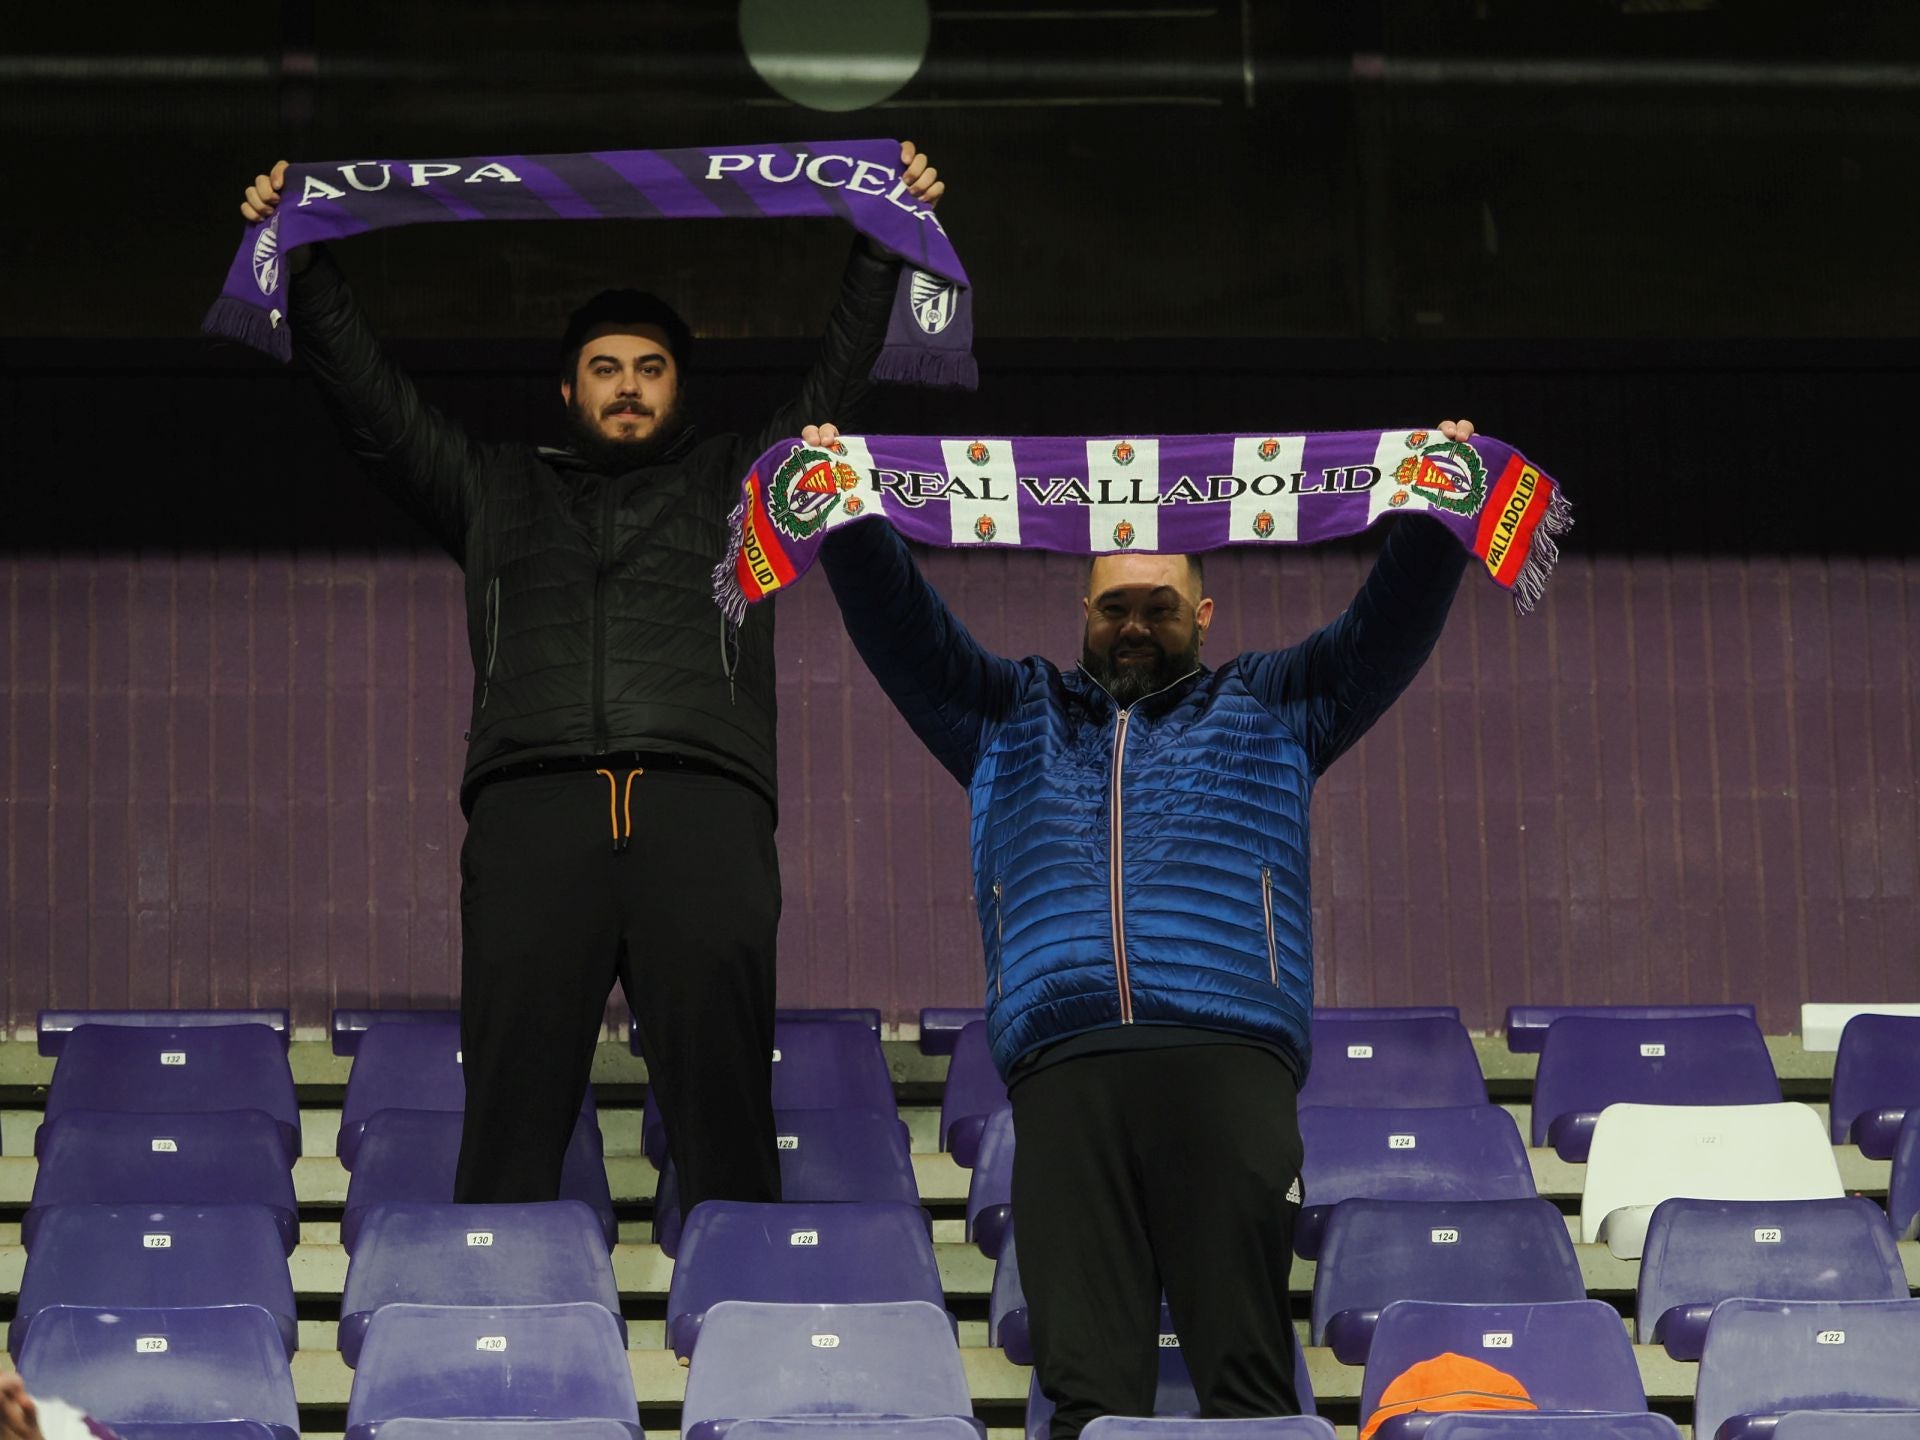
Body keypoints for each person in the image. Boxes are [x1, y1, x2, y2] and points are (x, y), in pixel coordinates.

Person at [235, 145, 945, 1215]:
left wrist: (885, 237)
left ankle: (753, 1345)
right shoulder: (491, 488)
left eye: (650, 368)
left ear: (678, 387)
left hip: (702, 810)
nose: (628, 387)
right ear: (568, 388)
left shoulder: (741, 486)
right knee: (512, 1118)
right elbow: (370, 405)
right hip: (536, 814)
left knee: (726, 1118)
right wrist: (305, 258)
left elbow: (836, 379)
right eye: (606, 369)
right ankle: (495, 1352)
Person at [808, 418, 1478, 1436]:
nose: (1133, 626)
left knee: (1247, 1373)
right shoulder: (1007, 716)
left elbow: (1382, 629)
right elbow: (906, 631)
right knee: (1085, 1388)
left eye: (1158, 608)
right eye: (1114, 606)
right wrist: (851, 518)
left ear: (1203, 615)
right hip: (1064, 1072)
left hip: (1227, 1059)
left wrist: (1435, 517)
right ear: (1081, 610)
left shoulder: (1276, 706)